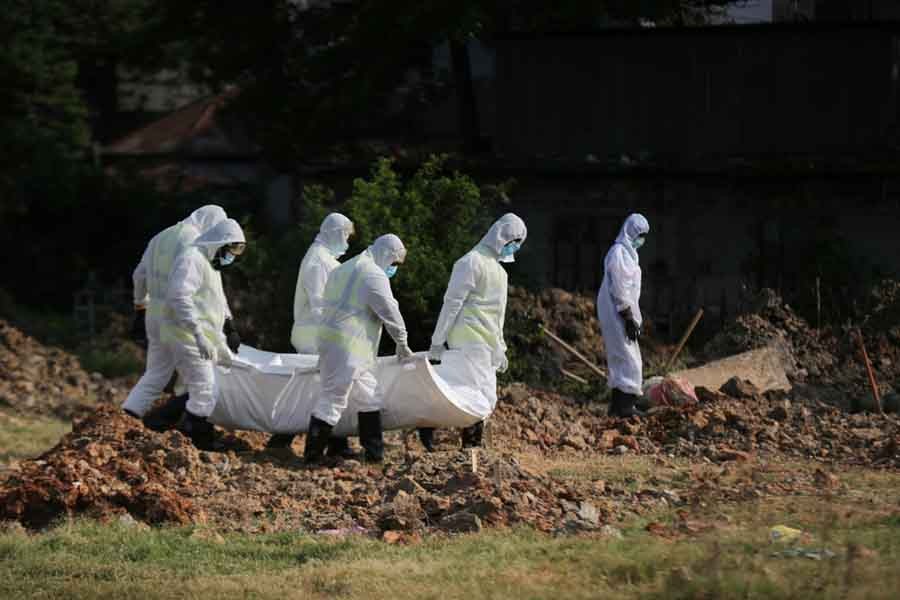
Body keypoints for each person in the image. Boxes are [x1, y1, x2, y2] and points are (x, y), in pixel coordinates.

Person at [304, 234, 413, 464]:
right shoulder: (373, 274)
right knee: (333, 399)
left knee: (370, 395)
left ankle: (374, 455)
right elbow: (390, 312)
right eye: (394, 264)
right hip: (347, 348)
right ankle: (312, 457)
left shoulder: (344, 269)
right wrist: (402, 342)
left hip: (341, 345)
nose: (394, 269)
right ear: (386, 255)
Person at [425, 213, 527, 450]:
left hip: (486, 343)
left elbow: (497, 315)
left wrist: (500, 346)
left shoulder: (499, 271)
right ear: (500, 236)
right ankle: (468, 445)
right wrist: (437, 341)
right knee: (474, 394)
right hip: (468, 339)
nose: (514, 248)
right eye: (514, 241)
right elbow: (452, 304)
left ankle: (468, 444)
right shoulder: (470, 262)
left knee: (481, 394)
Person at [122, 205, 229, 425]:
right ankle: (185, 426)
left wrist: (140, 307)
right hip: (181, 317)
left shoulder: (160, 237)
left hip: (155, 314)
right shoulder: (197, 243)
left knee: (156, 373)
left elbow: (139, 275)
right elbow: (209, 291)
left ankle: (126, 419)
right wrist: (226, 320)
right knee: (198, 378)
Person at [266, 212, 355, 455]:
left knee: (319, 389)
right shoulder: (318, 260)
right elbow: (319, 304)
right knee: (325, 388)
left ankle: (329, 443)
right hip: (314, 333)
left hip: (320, 332)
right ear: (335, 233)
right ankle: (329, 444)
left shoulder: (324, 257)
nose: (347, 241)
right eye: (345, 235)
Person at [161, 218, 247, 450]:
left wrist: (229, 326)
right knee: (205, 388)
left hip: (203, 337)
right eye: (232, 249)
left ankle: (166, 427)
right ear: (218, 243)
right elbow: (179, 298)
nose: (233, 256)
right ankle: (196, 440)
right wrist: (198, 334)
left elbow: (218, 299)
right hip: (187, 335)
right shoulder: (191, 260)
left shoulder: (210, 263)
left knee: (201, 388)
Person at [597, 213, 649, 418]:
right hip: (617, 312)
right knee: (630, 359)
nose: (642, 239)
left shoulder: (628, 254)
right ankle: (626, 406)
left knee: (621, 358)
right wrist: (627, 315)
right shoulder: (618, 252)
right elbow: (619, 287)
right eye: (640, 234)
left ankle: (617, 406)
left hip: (620, 312)